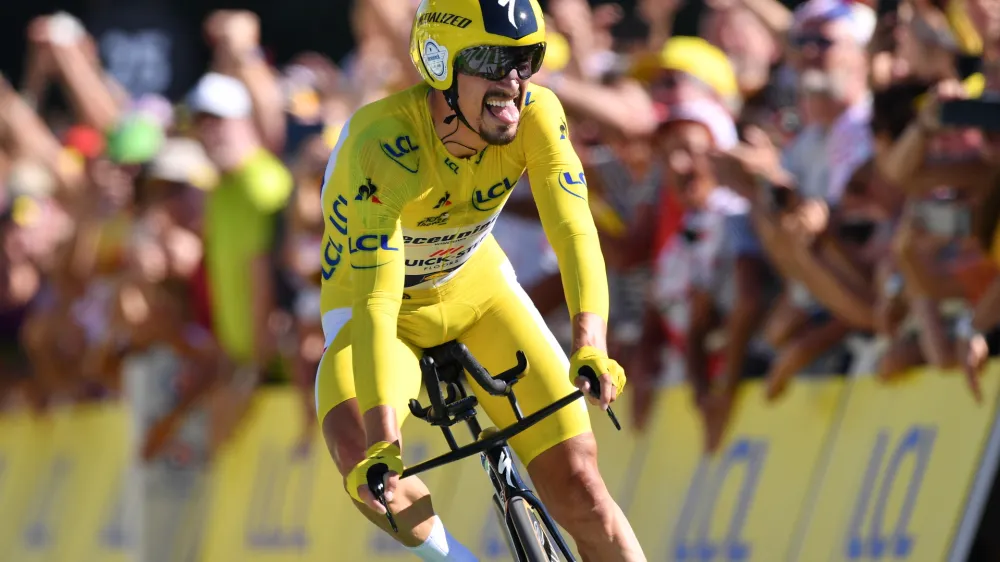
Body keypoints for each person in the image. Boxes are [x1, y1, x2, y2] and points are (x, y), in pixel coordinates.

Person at [315, 0, 645, 561]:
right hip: (381, 313)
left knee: (583, 488)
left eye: (526, 59)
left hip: (475, 289)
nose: (513, 82)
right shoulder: (383, 145)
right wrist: (384, 439)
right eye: (493, 61)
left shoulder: (539, 113)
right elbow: (376, 300)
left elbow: (573, 228)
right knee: (364, 459)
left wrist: (591, 343)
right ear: (440, 64)